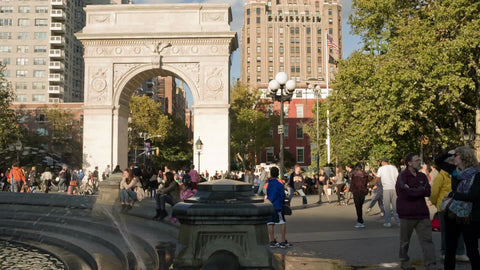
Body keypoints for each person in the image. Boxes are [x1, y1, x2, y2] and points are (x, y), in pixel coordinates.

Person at [396, 153, 437, 270]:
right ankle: (404, 262)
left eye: (419, 160)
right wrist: (420, 190)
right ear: (409, 163)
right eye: (416, 160)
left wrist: (414, 190)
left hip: (422, 213)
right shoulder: (402, 176)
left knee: (427, 240)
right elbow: (404, 192)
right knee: (405, 241)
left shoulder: (422, 176)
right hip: (406, 213)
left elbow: (428, 191)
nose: (419, 162)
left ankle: (431, 264)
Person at [444, 146, 480, 270]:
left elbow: (473, 196)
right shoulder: (455, 171)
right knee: (450, 249)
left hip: (469, 217)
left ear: (464, 157)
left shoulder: (476, 174)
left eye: (456, 155)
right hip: (453, 214)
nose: (454, 157)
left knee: (472, 250)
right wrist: (450, 152)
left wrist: (453, 195)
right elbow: (438, 161)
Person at [430, 152, 468, 262]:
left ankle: (460, 252)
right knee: (446, 232)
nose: (454, 163)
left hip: (457, 206)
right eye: (452, 161)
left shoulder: (458, 174)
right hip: (444, 207)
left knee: (460, 231)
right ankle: (444, 252)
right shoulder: (441, 176)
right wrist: (435, 203)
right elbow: (434, 193)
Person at [266, 166, 290, 248]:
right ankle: (283, 241)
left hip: (270, 205)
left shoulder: (269, 183)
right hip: (278, 206)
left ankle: (272, 240)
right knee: (282, 222)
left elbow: (267, 193)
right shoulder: (279, 184)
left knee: (271, 223)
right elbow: (282, 195)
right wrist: (283, 202)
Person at [376, 157, 400, 227]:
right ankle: (398, 221)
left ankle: (388, 222)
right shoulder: (394, 168)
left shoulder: (381, 168)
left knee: (387, 206)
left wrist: (372, 184)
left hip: (386, 188)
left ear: (382, 162)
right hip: (394, 188)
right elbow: (398, 178)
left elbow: (377, 178)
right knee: (395, 206)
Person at [350, 163, 368, 228]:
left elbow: (352, 183)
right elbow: (366, 183)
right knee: (360, 206)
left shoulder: (354, 175)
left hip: (356, 191)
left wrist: (351, 190)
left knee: (358, 207)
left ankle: (360, 221)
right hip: (363, 191)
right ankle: (360, 221)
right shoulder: (365, 174)